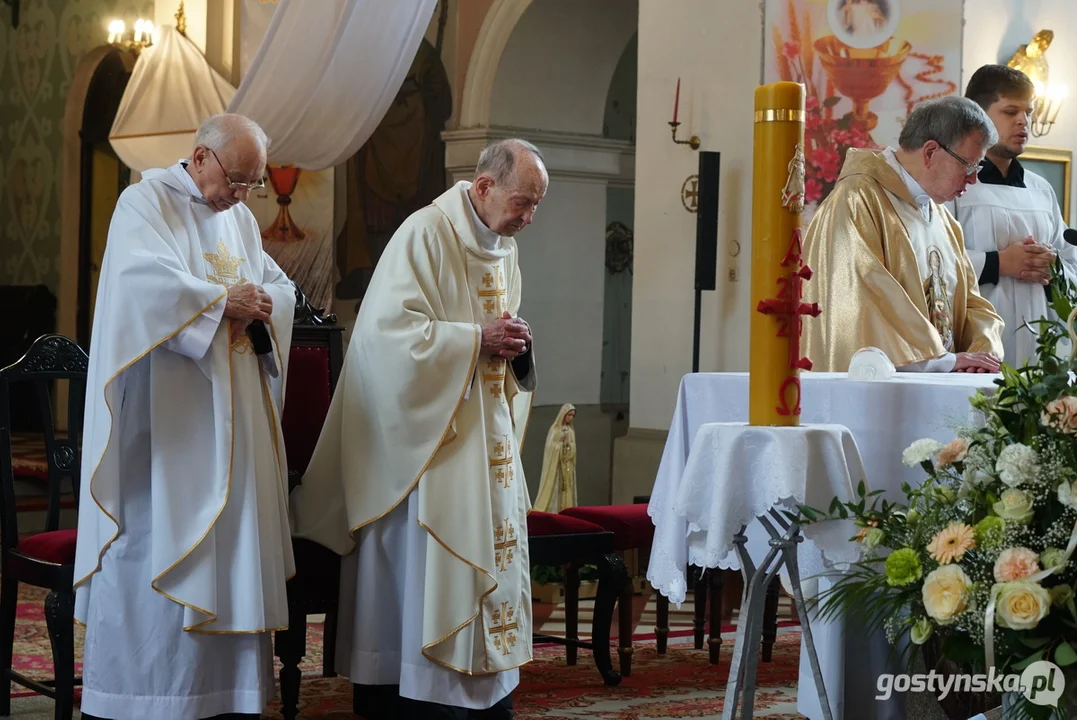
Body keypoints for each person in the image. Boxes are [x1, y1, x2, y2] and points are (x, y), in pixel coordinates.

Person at [291, 138, 546, 719]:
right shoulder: (425, 233)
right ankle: (416, 691)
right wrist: (475, 339)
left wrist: (514, 346)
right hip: (425, 447)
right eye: (523, 202)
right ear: (483, 187)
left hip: (485, 436)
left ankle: (483, 693)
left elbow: (498, 334)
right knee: (422, 575)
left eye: (536, 206)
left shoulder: (503, 248)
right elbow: (385, 341)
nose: (528, 218)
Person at [73, 114, 297, 720]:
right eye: (238, 179)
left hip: (233, 410)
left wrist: (266, 302)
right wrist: (221, 302)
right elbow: (138, 286)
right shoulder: (143, 204)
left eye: (252, 184)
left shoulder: (240, 219)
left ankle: (225, 699)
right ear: (200, 157)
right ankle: (140, 699)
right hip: (167, 421)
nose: (243, 195)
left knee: (230, 541)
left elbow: (277, 285)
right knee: (156, 541)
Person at [802, 95, 1005, 373]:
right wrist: (943, 361)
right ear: (931, 152)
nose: (973, 178)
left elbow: (971, 303)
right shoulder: (856, 200)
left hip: (945, 386)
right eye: (969, 166)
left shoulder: (945, 221)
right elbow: (865, 298)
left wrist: (982, 353)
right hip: (881, 390)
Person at [946, 65, 1077, 367]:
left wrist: (1053, 266)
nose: (1023, 121)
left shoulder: (1040, 189)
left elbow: (1071, 263)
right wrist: (998, 263)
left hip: (1041, 346)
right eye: (1010, 111)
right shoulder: (955, 184)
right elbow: (930, 260)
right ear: (976, 115)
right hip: (974, 344)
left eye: (1029, 112)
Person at [533, 404, 577, 513]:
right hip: (556, 467)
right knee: (555, 489)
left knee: (566, 489)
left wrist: (568, 445)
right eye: (569, 415)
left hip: (566, 465)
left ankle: (566, 510)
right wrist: (561, 443)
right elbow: (549, 447)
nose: (570, 418)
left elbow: (573, 448)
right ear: (563, 415)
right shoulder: (554, 430)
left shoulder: (571, 431)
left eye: (572, 415)